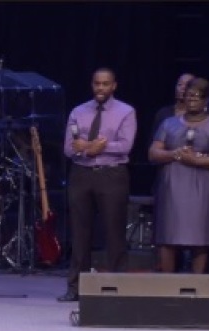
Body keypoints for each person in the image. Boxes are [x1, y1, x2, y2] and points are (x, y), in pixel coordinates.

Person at [58, 68, 136, 302]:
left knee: (114, 233)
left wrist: (99, 147)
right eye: (97, 84)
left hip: (111, 174)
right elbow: (68, 148)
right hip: (81, 174)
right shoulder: (78, 112)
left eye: (105, 84)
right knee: (80, 233)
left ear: (114, 86)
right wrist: (84, 147)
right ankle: (76, 287)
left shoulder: (126, 111)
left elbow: (125, 145)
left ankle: (115, 287)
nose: (100, 88)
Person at [149, 77, 209, 274]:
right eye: (189, 96)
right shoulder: (169, 124)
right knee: (169, 233)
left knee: (201, 235)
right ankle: (168, 284)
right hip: (173, 184)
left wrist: (196, 161)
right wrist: (174, 154)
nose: (192, 100)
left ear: (206, 100)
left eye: (197, 96)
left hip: (203, 184)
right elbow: (153, 153)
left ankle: (198, 284)